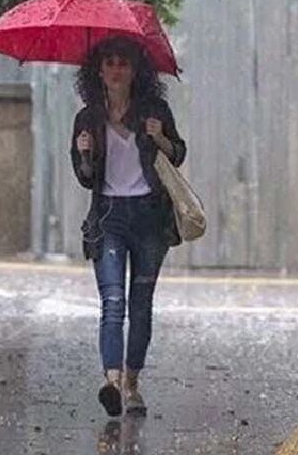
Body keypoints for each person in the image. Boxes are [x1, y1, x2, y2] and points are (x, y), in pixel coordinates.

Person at [70, 36, 187, 418]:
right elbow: (86, 177)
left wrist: (161, 138)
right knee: (113, 303)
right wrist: (85, 153)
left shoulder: (154, 110)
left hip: (150, 218)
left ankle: (132, 381)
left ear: (136, 71)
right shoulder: (87, 118)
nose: (117, 69)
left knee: (140, 306)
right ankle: (112, 381)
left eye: (124, 63)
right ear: (99, 71)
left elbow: (179, 154)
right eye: (110, 63)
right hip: (108, 219)